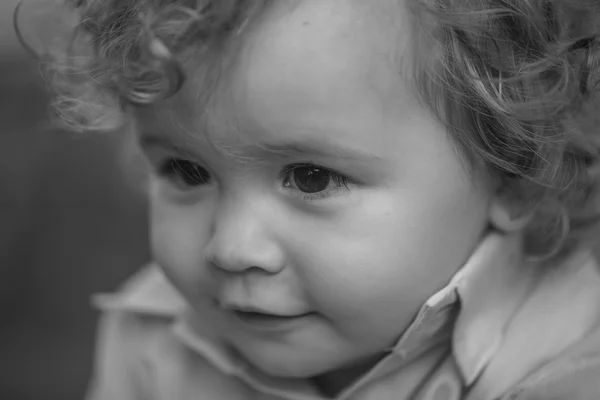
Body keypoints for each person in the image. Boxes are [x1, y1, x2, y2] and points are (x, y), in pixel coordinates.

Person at [33, 0, 600, 398]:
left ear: (514, 176)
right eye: (186, 170)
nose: (231, 249)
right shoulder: (152, 338)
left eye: (311, 178)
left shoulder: (564, 365)